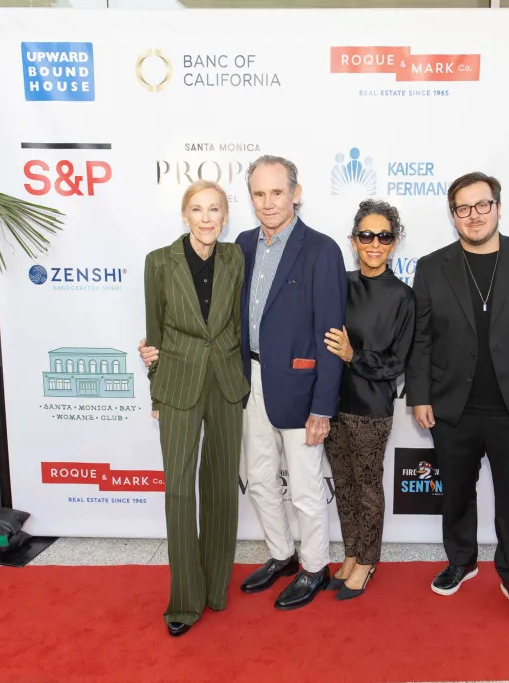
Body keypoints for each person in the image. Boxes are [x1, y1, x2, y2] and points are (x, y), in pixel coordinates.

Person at [141, 155, 347, 611]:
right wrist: (159, 347)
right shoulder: (241, 246)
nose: (268, 202)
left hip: (300, 388)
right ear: (249, 198)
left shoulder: (322, 250)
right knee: (257, 479)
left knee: (307, 489)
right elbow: (206, 312)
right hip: (244, 380)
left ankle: (315, 568)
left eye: (277, 192)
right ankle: (282, 556)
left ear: (296, 193)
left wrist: (323, 407)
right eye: (259, 193)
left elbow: (332, 338)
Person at [405, 172, 509, 625]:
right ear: (453, 215)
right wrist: (419, 395)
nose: (474, 215)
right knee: (456, 494)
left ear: (498, 207)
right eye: (463, 208)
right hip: (452, 406)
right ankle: (461, 560)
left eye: (482, 205)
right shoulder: (431, 266)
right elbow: (420, 338)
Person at [142, 179, 249, 637]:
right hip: (178, 382)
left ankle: (216, 587)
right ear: (185, 216)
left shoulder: (235, 258)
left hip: (225, 382)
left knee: (223, 488)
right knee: (181, 491)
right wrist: (155, 390)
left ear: (225, 217)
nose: (207, 218)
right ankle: (185, 600)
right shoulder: (158, 262)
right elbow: (154, 329)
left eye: (215, 210)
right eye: (198, 209)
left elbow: (239, 322)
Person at [321, 199, 414, 600]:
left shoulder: (403, 298)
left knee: (367, 485)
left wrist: (352, 355)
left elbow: (396, 362)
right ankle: (352, 551)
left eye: (383, 236)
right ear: (353, 240)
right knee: (342, 484)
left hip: (371, 409)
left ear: (394, 243)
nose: (374, 243)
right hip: (330, 403)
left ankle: (368, 559)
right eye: (366, 235)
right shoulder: (337, 284)